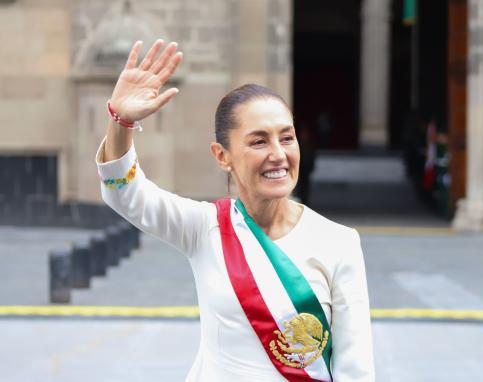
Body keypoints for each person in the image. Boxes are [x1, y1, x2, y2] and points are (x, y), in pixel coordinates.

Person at [95, 39, 375, 381]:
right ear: (221, 155)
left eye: (287, 138)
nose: (278, 154)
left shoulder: (339, 242)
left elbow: (356, 368)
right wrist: (120, 121)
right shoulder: (204, 228)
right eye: (259, 141)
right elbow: (125, 193)